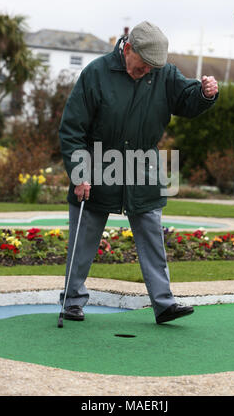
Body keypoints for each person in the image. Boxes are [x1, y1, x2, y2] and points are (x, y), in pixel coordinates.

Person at [59, 21, 218, 324]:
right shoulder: (96, 73)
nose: (146, 72)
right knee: (84, 237)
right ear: (127, 49)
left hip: (143, 165)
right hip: (97, 164)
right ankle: (72, 300)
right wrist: (79, 174)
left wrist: (206, 94)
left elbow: (187, 100)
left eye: (151, 69)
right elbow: (71, 128)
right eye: (142, 66)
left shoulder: (163, 73)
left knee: (152, 236)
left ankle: (164, 304)